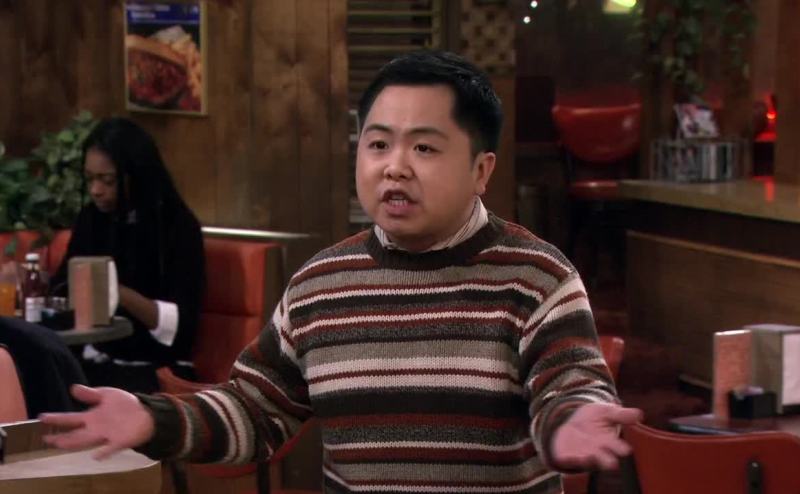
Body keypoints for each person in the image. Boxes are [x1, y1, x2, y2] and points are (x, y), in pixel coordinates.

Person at [41, 52, 641, 493]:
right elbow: (256, 411)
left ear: (481, 170)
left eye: (424, 148)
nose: (394, 167)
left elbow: (570, 384)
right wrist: (152, 417)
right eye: (378, 144)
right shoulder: (320, 285)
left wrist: (571, 421)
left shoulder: (536, 277)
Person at [47, 117, 205, 393]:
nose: (95, 190)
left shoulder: (176, 226)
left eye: (107, 180)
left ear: (136, 175)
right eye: (89, 179)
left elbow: (181, 329)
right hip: (99, 360)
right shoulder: (92, 219)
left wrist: (116, 292)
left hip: (157, 366)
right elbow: (62, 286)